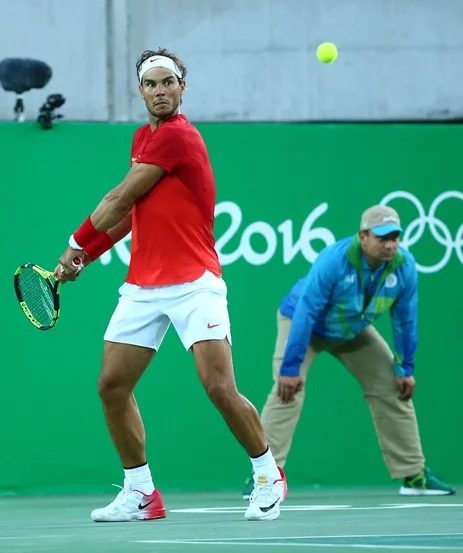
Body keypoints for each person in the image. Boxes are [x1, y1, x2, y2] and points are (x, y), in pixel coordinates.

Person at [54, 47, 287, 522]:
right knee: (112, 386)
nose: (160, 91)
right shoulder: (144, 137)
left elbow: (118, 198)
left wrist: (74, 241)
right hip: (143, 285)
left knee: (218, 386)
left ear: (183, 86)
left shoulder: (179, 137)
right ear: (141, 91)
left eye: (168, 83)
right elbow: (134, 213)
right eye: (150, 84)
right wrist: (88, 255)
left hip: (195, 283)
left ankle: (268, 473)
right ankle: (141, 493)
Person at [241, 205, 455, 500]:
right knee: (287, 390)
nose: (390, 244)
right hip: (305, 323)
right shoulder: (334, 260)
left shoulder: (404, 267)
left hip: (352, 330)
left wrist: (405, 368)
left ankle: (414, 475)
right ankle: (265, 475)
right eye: (382, 237)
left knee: (393, 388)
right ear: (363, 236)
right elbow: (306, 311)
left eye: (395, 237)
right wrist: (290, 369)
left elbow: (405, 320)